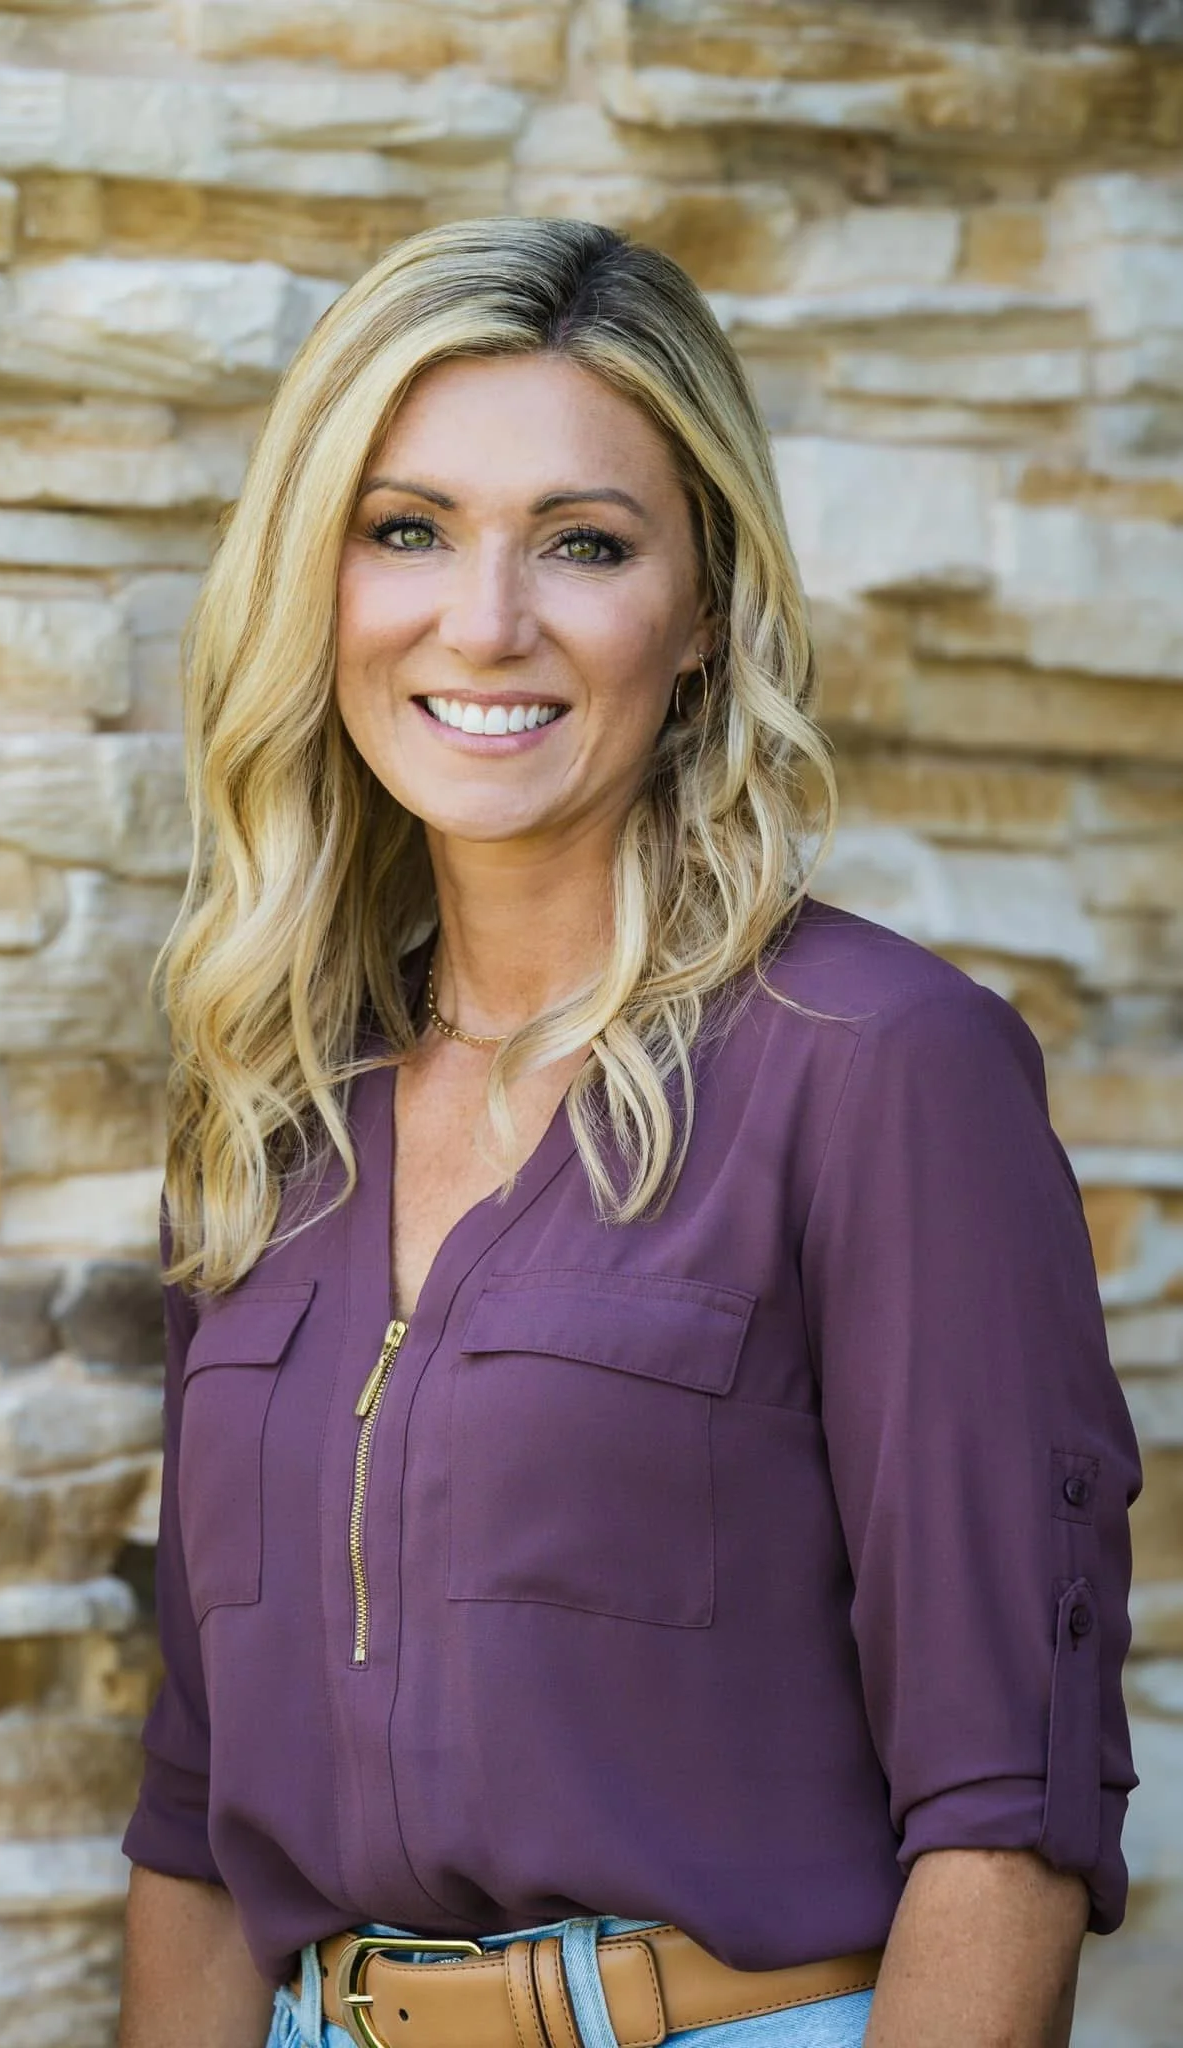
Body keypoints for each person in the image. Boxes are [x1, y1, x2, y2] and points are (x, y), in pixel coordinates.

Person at [116, 218, 1140, 2048]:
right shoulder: (272, 1109)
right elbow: (198, 1824)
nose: (482, 621)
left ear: (703, 616)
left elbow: (1006, 1819)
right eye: (405, 529)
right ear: (314, 582)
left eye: (582, 544)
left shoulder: (879, 1069)